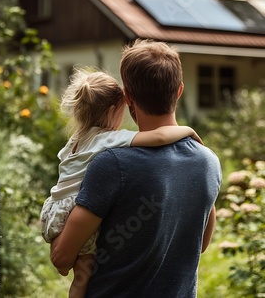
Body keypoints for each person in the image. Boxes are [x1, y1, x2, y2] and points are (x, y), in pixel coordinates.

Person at [51, 40, 222, 298]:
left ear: (127, 96)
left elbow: (62, 258)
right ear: (179, 91)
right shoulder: (208, 161)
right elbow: (200, 244)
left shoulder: (112, 164)